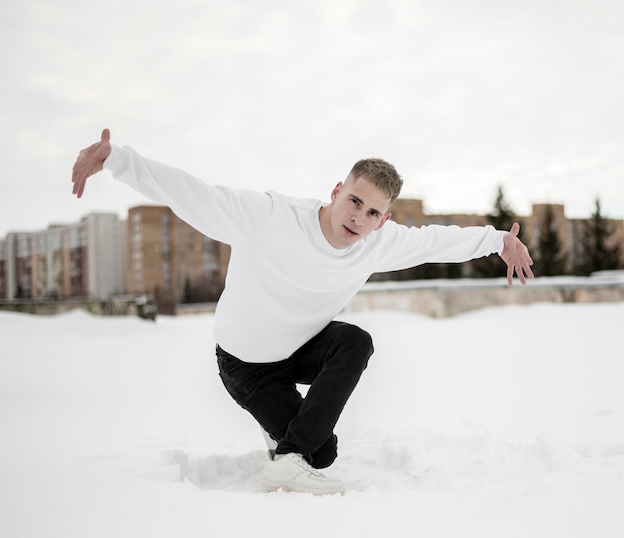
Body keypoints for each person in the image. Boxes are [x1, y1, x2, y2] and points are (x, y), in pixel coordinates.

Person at [72, 129, 534, 495]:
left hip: (299, 348)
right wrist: (118, 160)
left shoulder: (377, 243)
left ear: (384, 220)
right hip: (246, 363)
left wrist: (498, 241)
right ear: (336, 191)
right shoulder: (273, 218)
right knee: (324, 453)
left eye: (374, 212)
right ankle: (291, 452)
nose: (359, 218)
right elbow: (197, 195)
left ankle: (286, 457)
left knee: (355, 343)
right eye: (354, 201)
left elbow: (436, 240)